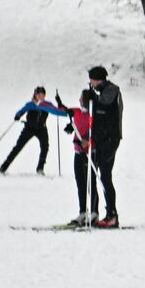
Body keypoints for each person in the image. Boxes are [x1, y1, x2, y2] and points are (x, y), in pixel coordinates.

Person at [0, 86, 66, 175]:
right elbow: (21, 111)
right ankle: (3, 168)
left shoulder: (47, 104)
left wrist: (60, 104)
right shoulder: (30, 104)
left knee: (45, 147)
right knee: (18, 147)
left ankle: (40, 168)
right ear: (35, 95)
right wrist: (18, 115)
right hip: (29, 128)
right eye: (39, 94)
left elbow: (58, 112)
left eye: (43, 94)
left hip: (41, 129)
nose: (41, 96)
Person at [85, 66, 123, 228]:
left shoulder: (111, 90)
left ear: (98, 79)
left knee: (105, 176)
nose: (91, 83)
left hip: (111, 139)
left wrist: (93, 97)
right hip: (102, 139)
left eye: (92, 80)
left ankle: (112, 215)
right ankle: (107, 213)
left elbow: (104, 105)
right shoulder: (103, 90)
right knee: (102, 175)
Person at [54, 89, 98, 226]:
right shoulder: (78, 112)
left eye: (81, 98)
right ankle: (83, 212)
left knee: (90, 183)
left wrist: (87, 140)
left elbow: (95, 133)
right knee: (80, 183)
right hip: (78, 152)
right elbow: (64, 111)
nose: (79, 100)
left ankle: (94, 212)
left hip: (90, 153)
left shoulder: (93, 115)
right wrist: (59, 104)